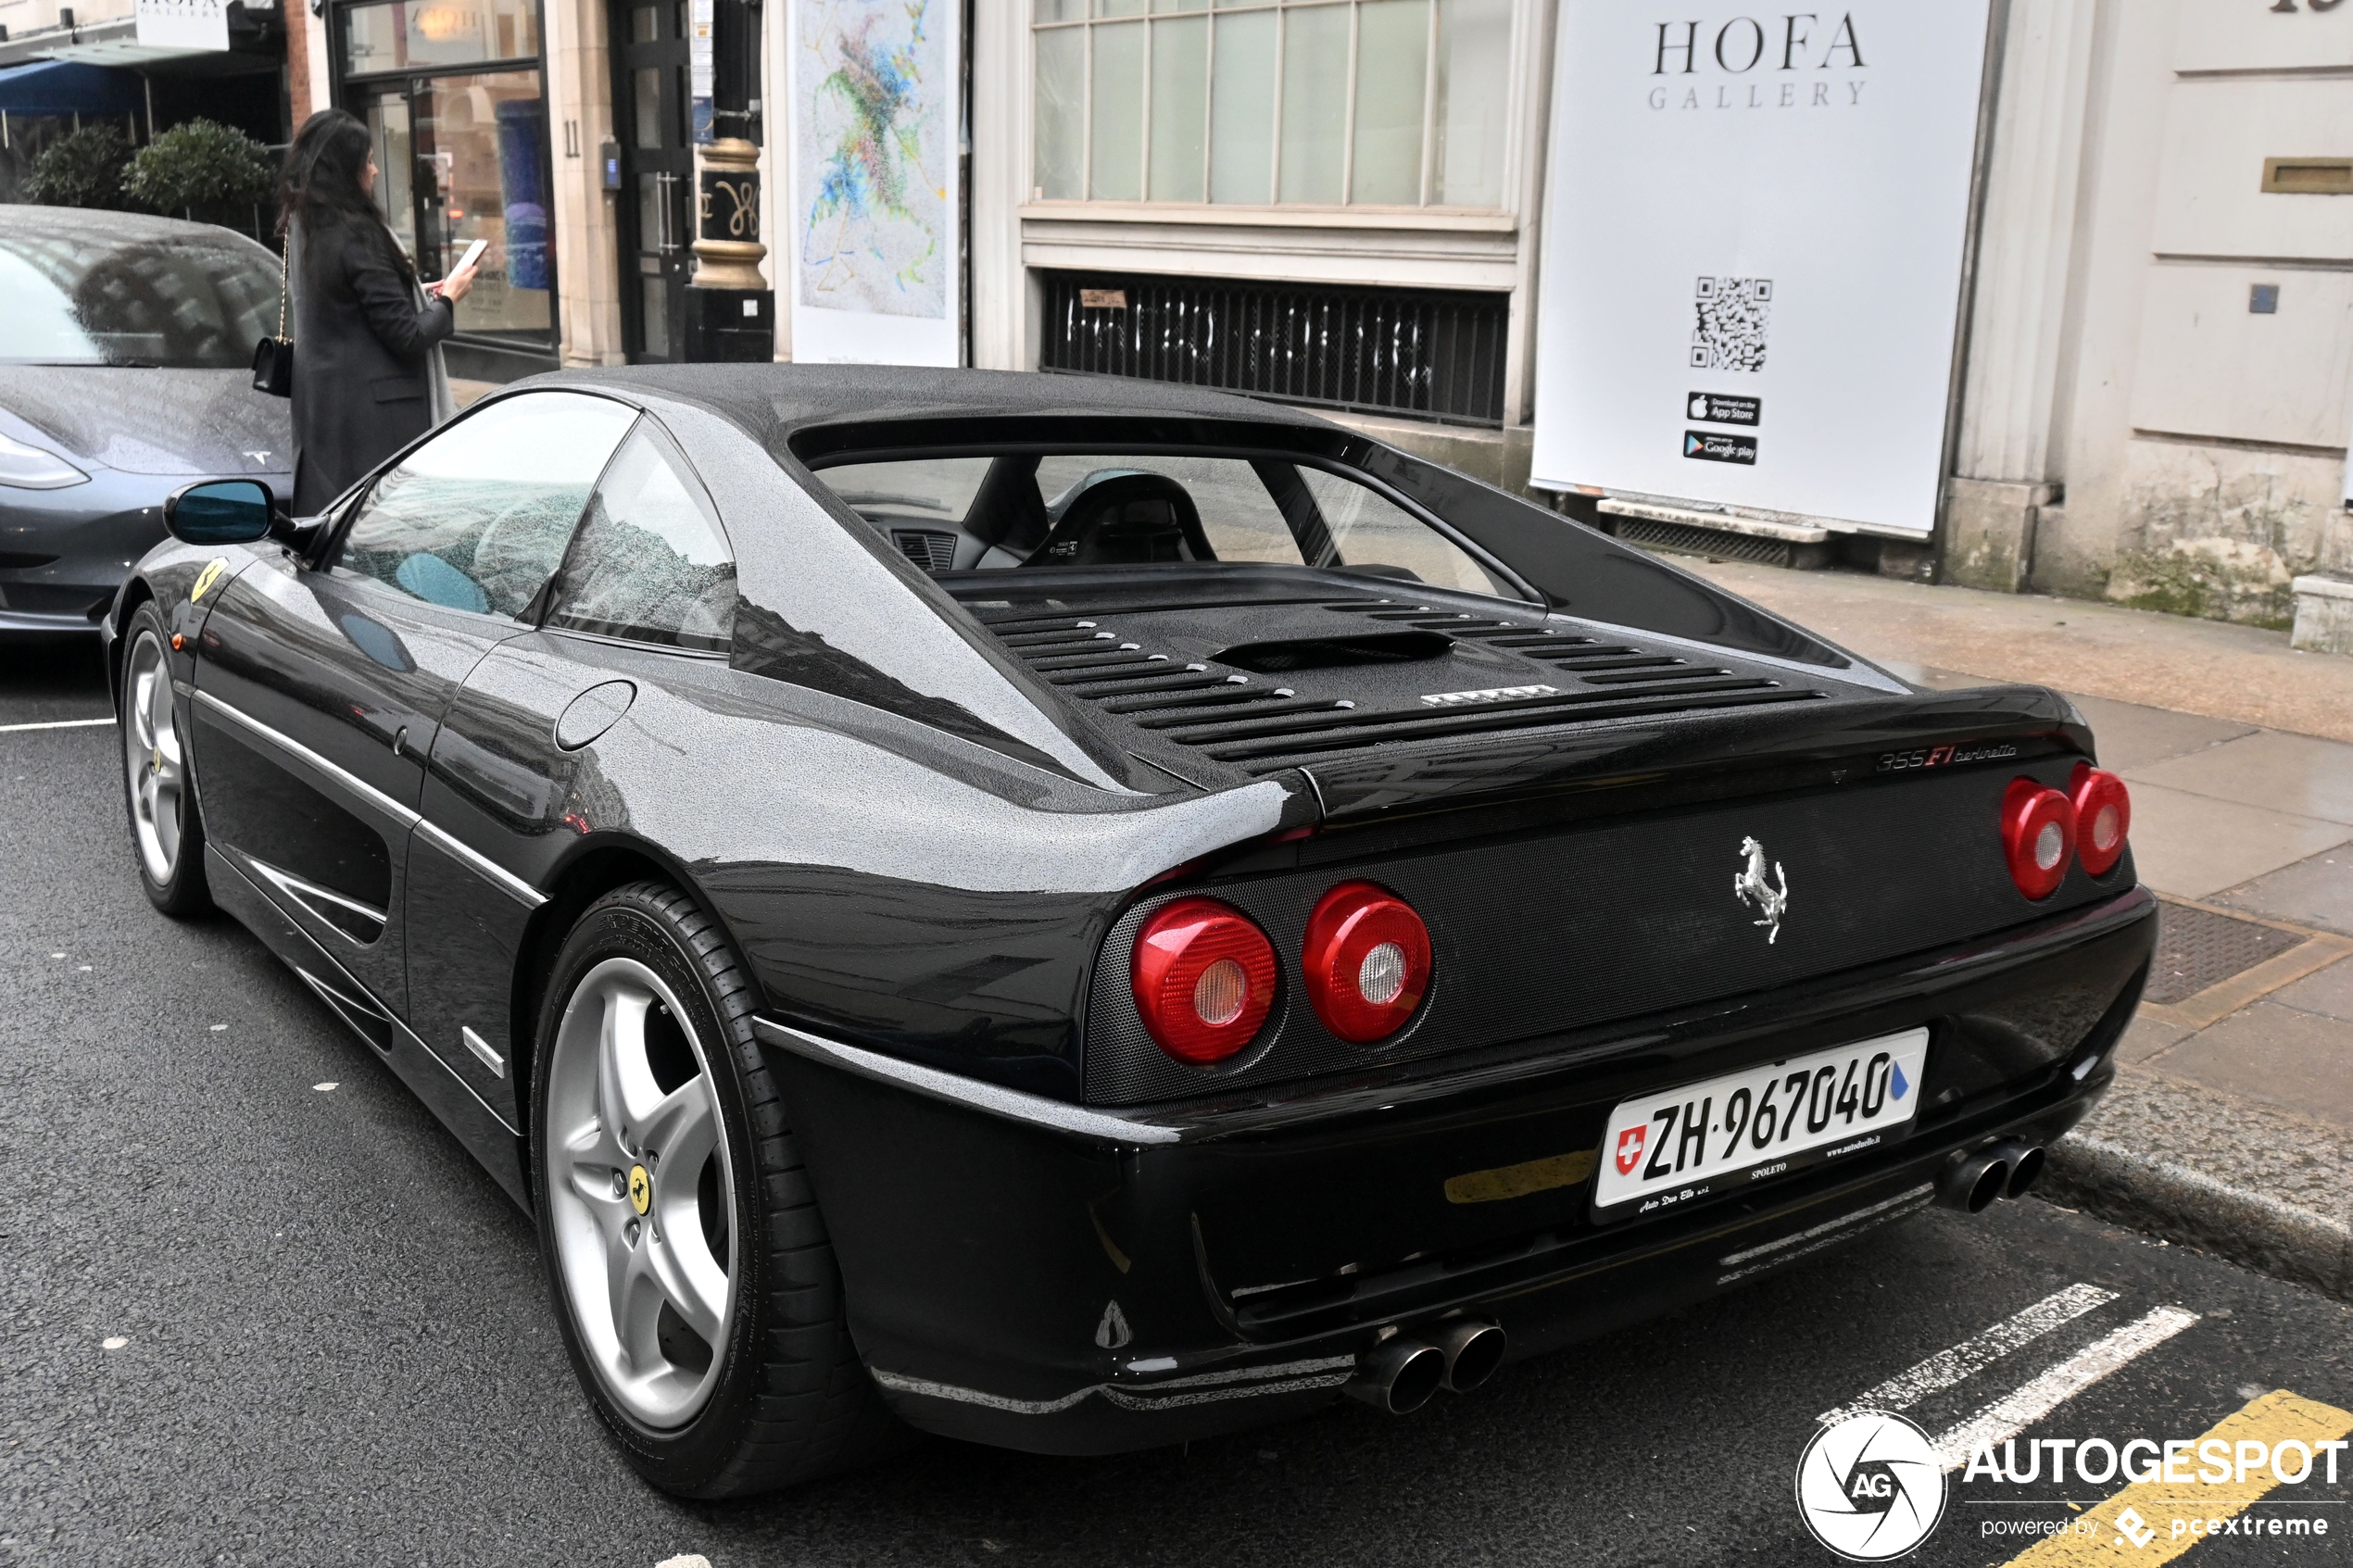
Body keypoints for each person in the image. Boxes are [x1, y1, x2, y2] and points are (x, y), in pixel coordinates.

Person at [278, 108, 479, 515]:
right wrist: (449, 299)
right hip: (375, 421)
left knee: (333, 529)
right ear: (346, 170)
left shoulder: (302, 226)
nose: (374, 172)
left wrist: (412, 292)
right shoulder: (358, 232)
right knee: (379, 538)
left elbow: (339, 302)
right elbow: (408, 337)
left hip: (322, 410)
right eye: (368, 161)